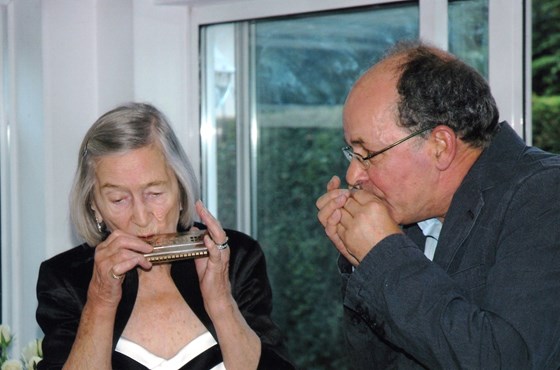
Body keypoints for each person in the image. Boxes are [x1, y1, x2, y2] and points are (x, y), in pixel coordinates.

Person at [316, 40, 560, 369]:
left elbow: (506, 360)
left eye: (367, 154)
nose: (353, 174)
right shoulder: (414, 219)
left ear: (439, 146)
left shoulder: (544, 194)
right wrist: (361, 262)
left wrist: (383, 255)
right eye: (351, 153)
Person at [36, 102, 294, 370]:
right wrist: (99, 301)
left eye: (155, 194)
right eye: (118, 199)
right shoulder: (65, 278)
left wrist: (220, 302)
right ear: (94, 205)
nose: (141, 217)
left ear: (181, 189)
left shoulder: (234, 257)